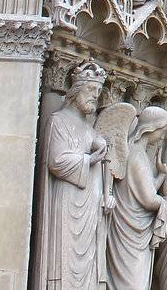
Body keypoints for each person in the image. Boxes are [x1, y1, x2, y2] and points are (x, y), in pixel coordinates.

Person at [35, 62, 109, 289]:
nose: (94, 97)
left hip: (90, 206)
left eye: (97, 92)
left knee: (87, 267)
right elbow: (56, 161)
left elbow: (105, 165)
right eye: (90, 91)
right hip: (67, 203)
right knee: (65, 260)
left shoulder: (90, 128)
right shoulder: (58, 120)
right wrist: (90, 160)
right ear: (76, 90)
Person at [107, 105, 167, 290]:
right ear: (151, 128)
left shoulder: (138, 154)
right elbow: (149, 199)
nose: (162, 136)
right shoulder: (136, 155)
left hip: (135, 229)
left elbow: (143, 190)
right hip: (130, 231)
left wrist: (161, 175)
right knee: (132, 283)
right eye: (162, 130)